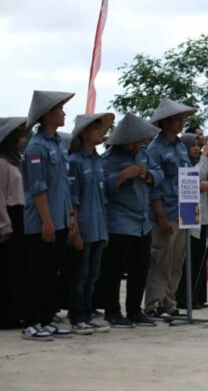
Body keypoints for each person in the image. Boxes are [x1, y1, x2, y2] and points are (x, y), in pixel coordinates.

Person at [96, 113, 163, 328]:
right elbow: (102, 186)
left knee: (140, 267)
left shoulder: (144, 155)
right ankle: (112, 311)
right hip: (119, 221)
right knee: (114, 269)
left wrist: (147, 175)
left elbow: (159, 174)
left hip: (142, 221)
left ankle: (134, 310)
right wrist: (123, 176)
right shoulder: (107, 160)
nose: (139, 144)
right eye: (135, 141)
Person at [21, 90, 77, 341]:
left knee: (52, 273)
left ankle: (46, 319)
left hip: (59, 219)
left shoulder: (58, 145)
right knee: (38, 273)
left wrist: (68, 216)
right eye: (59, 109)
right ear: (47, 115)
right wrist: (46, 221)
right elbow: (38, 187)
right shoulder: (37, 147)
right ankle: (32, 322)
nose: (64, 113)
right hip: (42, 223)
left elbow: (63, 186)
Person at [144, 98, 195, 319]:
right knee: (160, 260)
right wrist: (161, 216)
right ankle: (154, 303)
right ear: (164, 122)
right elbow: (153, 186)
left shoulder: (181, 148)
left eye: (182, 118)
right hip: (165, 212)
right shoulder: (155, 149)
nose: (181, 122)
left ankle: (169, 302)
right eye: (177, 118)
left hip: (184, 211)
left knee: (176, 262)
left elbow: (187, 178)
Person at [67, 113, 115, 335]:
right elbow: (73, 198)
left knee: (93, 275)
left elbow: (102, 197)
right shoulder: (75, 161)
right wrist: (74, 228)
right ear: (85, 133)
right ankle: (77, 316)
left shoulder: (98, 160)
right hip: (83, 226)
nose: (101, 133)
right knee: (80, 274)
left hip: (98, 225)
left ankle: (88, 312)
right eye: (96, 129)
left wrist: (104, 230)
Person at [176, 133, 208, 309]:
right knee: (188, 260)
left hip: (202, 217)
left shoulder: (201, 164)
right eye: (194, 145)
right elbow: (196, 179)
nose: (198, 148)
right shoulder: (185, 166)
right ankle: (184, 298)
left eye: (200, 145)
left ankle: (197, 297)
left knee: (199, 259)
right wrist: (205, 157)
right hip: (188, 216)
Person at [0, 117, 28, 329]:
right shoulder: (1, 163)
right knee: (7, 269)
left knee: (17, 267)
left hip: (19, 214)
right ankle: (6, 315)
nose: (24, 140)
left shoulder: (14, 161)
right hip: (9, 215)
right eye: (20, 136)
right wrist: (4, 223)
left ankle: (14, 312)